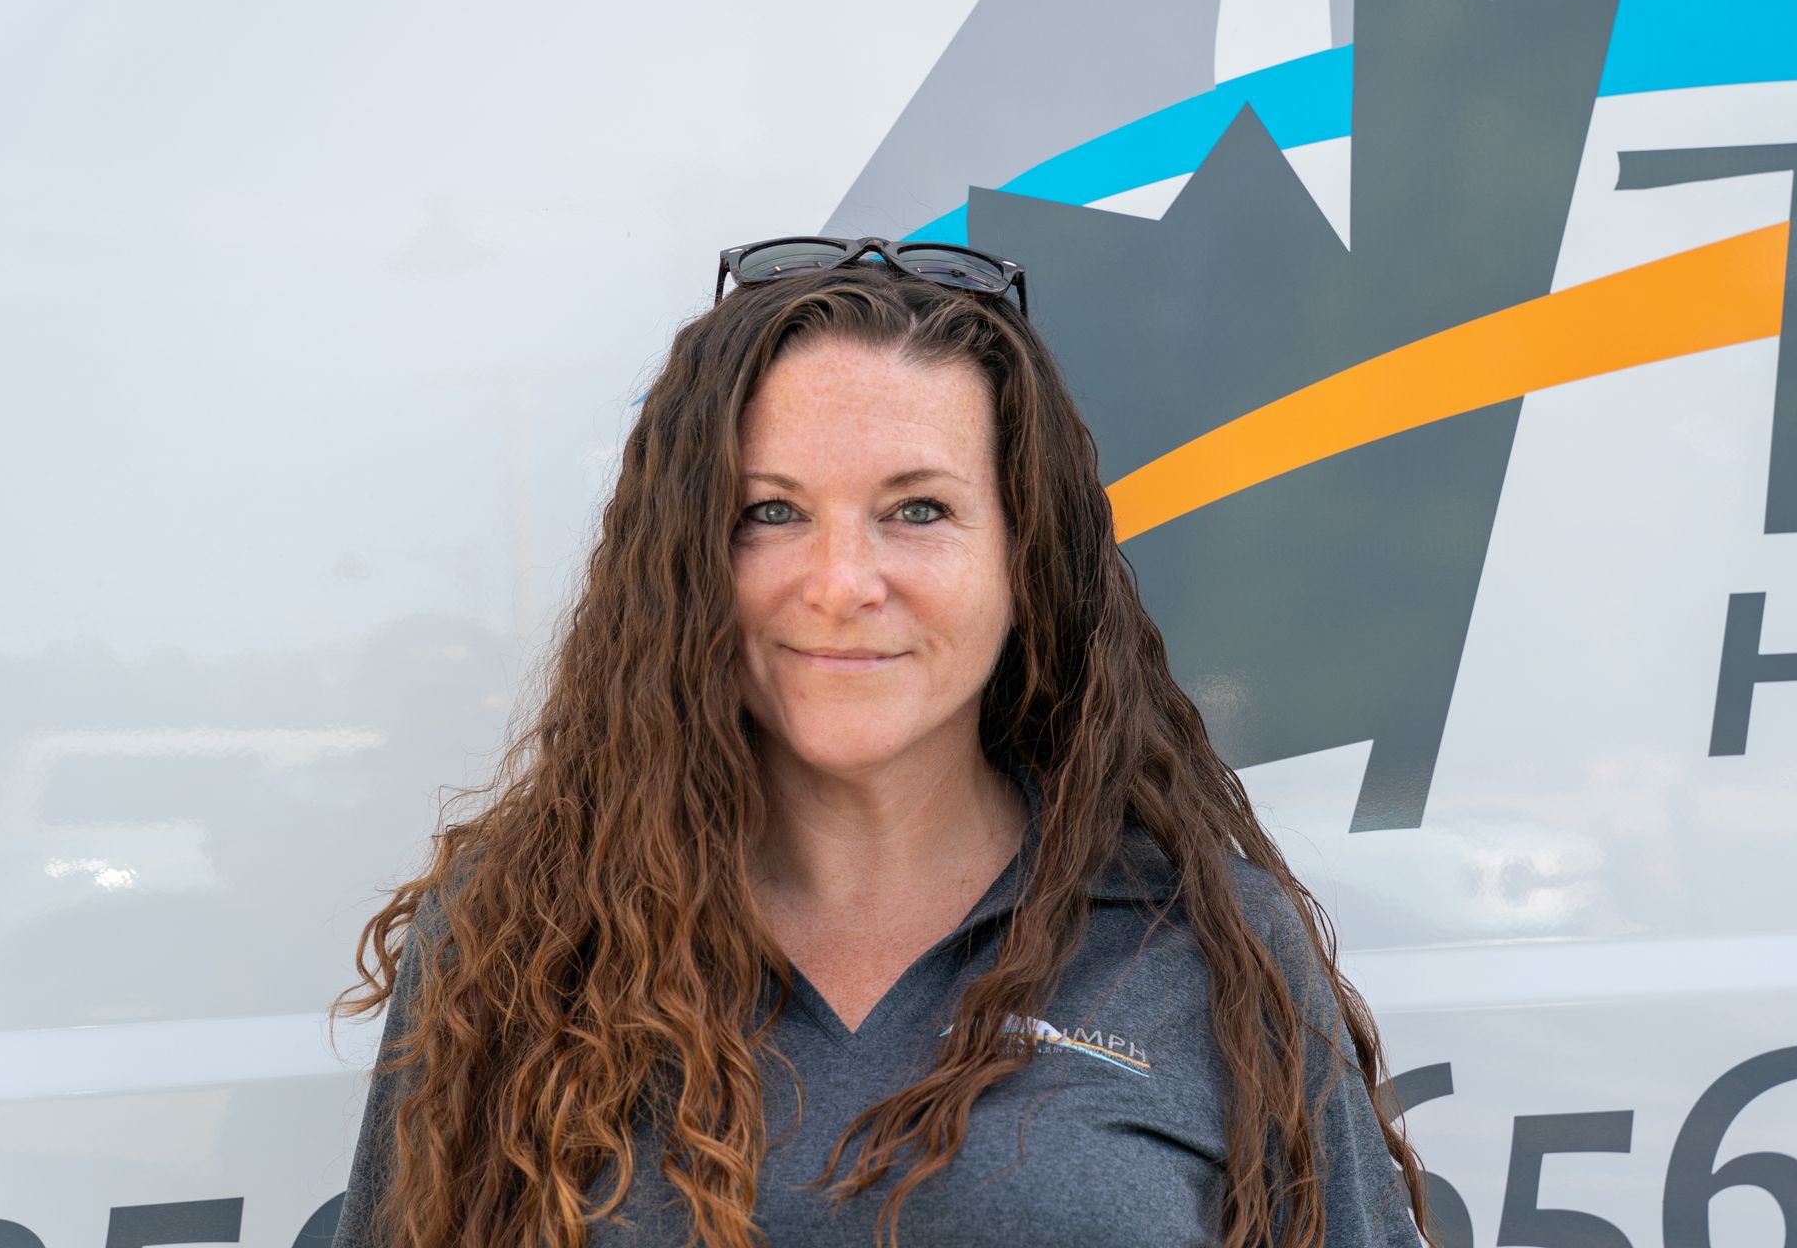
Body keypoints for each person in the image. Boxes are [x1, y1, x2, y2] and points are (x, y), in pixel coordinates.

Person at [328, 236, 1433, 1248]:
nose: (843, 583)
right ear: (684, 564)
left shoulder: (1208, 944)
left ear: (1022, 560)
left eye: (918, 510)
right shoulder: (518, 939)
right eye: (770, 511)